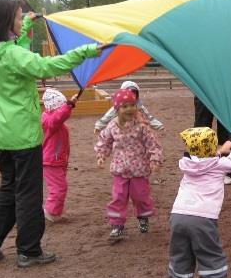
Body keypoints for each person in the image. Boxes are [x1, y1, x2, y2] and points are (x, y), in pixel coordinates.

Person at [0, 0, 101, 267]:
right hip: (23, 136)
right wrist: (86, 51)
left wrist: (25, 24)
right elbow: (47, 67)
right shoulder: (13, 55)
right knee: (28, 194)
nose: (19, 19)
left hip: (2, 136)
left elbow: (14, 45)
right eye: (17, 17)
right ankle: (29, 250)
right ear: (6, 23)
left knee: (8, 189)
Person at [168, 127, 231, 278]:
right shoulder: (219, 165)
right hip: (202, 217)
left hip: (178, 215)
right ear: (211, 147)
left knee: (180, 250)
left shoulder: (187, 164)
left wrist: (219, 151)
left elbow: (204, 160)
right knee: (209, 250)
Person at [95, 88, 164, 240]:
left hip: (139, 169)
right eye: (125, 106)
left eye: (132, 105)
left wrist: (155, 160)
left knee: (140, 196)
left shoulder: (141, 127)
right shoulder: (112, 126)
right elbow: (104, 141)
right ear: (117, 109)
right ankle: (117, 225)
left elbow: (153, 144)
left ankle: (143, 216)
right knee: (118, 197)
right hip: (120, 169)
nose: (129, 109)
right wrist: (101, 155)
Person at [41, 88, 79, 223]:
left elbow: (59, 117)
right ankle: (50, 212)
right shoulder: (50, 121)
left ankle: (54, 211)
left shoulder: (53, 121)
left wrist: (69, 104)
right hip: (51, 161)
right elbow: (58, 118)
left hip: (57, 160)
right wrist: (69, 105)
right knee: (59, 188)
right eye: (61, 106)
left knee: (59, 187)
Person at [193, 96, 231, 185]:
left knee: (226, 130)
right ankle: (201, 168)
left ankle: (225, 171)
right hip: (203, 92)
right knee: (201, 129)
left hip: (224, 94)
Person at [94, 80, 164, 133]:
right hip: (121, 129)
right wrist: (98, 126)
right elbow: (108, 116)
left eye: (134, 94)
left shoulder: (139, 106)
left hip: (136, 130)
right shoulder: (119, 107)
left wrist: (159, 126)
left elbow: (149, 117)